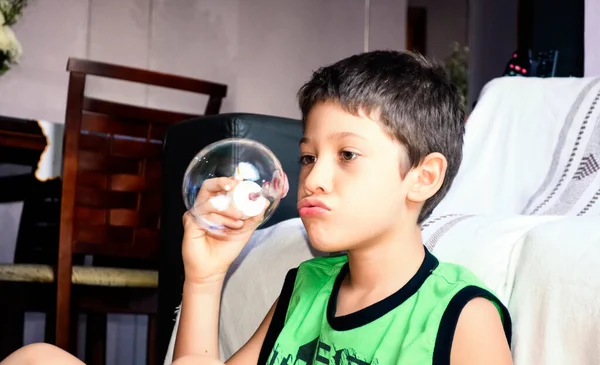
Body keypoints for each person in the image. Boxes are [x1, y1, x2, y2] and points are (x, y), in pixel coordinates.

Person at [0, 50, 512, 365]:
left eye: (347, 155)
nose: (315, 178)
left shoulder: (461, 316)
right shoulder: (307, 286)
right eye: (309, 157)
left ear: (423, 177)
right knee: (35, 357)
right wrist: (204, 278)